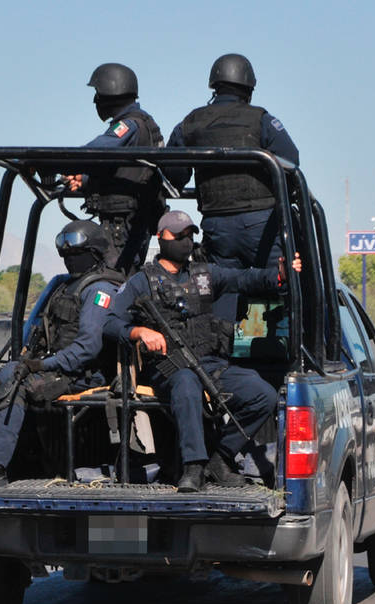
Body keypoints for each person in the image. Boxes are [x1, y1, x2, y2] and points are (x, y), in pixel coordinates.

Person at [103, 210, 301, 492]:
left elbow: (245, 279)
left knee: (262, 395)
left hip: (208, 363)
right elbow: (110, 323)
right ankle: (193, 466)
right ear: (161, 237)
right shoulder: (141, 281)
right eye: (178, 235)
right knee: (187, 383)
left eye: (189, 235)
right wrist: (140, 332)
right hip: (168, 367)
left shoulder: (204, 274)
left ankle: (220, 458)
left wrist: (278, 275)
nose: (185, 241)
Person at [0, 220, 125, 487]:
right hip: (64, 369)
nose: (70, 260)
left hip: (87, 374)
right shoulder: (66, 287)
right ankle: (23, 462)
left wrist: (42, 366)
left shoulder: (99, 290)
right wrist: (32, 361)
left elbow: (87, 349)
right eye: (66, 255)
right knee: (9, 373)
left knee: (19, 384)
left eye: (76, 254)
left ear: (94, 252)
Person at [164, 54, 300, 319]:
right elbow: (291, 162)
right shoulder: (261, 120)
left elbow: (173, 173)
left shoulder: (190, 122)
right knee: (282, 285)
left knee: (222, 289)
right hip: (262, 225)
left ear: (214, 86)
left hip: (217, 227)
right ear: (249, 88)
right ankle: (288, 339)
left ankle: (218, 343)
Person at [64, 63, 166, 275]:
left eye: (98, 93)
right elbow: (123, 171)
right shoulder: (141, 122)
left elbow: (96, 150)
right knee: (122, 275)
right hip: (130, 217)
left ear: (112, 92)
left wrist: (56, 162)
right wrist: (85, 180)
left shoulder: (129, 125)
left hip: (122, 221)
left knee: (114, 276)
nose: (95, 100)